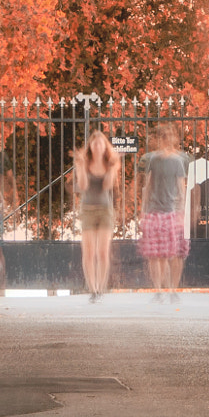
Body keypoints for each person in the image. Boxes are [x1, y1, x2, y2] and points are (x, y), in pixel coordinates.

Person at [136, 122, 190, 302]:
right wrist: (143, 211)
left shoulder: (178, 161)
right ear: (159, 139)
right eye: (163, 136)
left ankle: (172, 288)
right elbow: (147, 186)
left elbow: (181, 189)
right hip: (153, 210)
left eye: (170, 136)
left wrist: (182, 213)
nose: (167, 139)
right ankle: (158, 289)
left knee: (171, 253)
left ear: (175, 138)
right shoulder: (152, 160)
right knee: (154, 254)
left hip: (171, 211)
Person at [69, 128, 121, 302]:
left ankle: (101, 287)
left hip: (105, 210)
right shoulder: (84, 162)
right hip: (88, 209)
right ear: (90, 145)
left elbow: (107, 186)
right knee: (89, 252)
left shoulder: (110, 163)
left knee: (103, 252)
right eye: (95, 143)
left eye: (101, 143)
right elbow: (83, 186)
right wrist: (81, 167)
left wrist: (112, 169)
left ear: (105, 146)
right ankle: (92, 288)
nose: (98, 146)